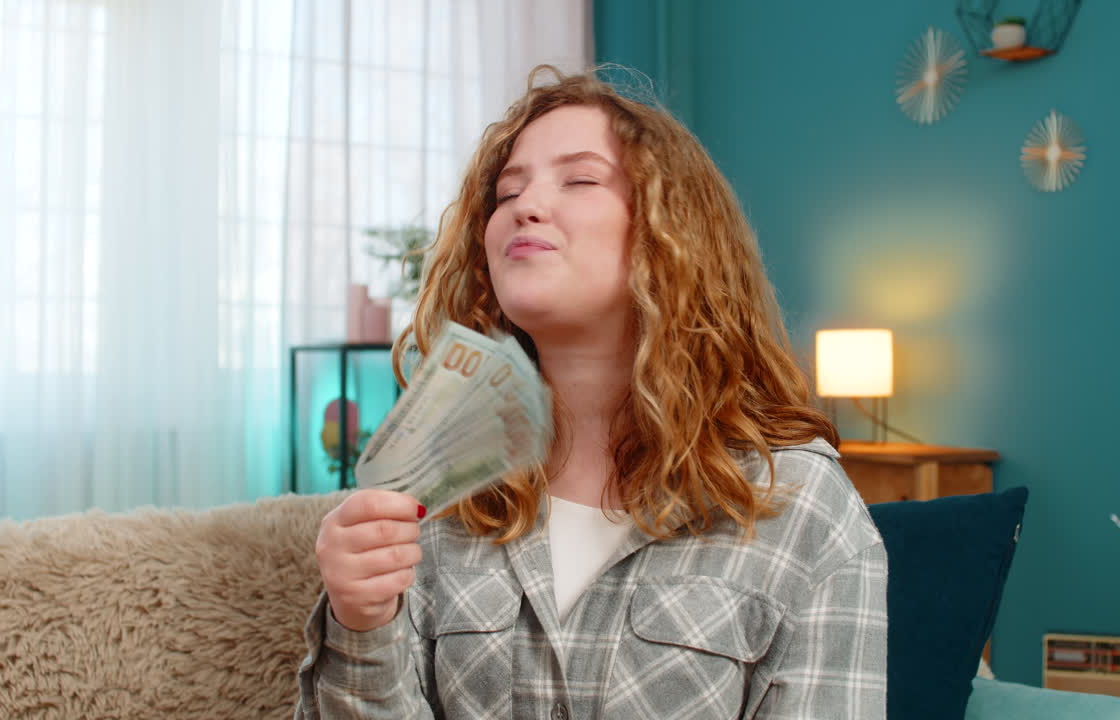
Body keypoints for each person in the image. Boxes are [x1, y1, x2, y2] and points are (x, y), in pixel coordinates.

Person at [296, 65, 887, 720]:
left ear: (674, 235)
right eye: (507, 191)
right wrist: (360, 624)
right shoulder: (436, 491)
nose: (524, 205)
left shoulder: (801, 504)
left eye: (579, 180)